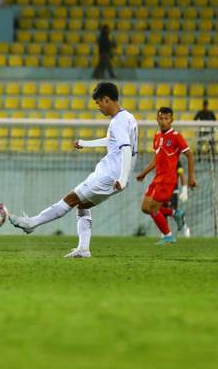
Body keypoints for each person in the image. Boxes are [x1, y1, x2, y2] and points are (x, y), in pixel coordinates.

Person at [9, 82, 138, 258]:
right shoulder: (128, 118)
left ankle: (32, 223)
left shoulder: (118, 122)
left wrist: (121, 178)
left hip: (110, 175)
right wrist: (86, 143)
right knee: (82, 204)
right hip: (116, 175)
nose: (98, 107)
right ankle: (83, 249)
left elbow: (126, 148)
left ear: (107, 99)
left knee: (70, 199)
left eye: (99, 103)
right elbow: (112, 141)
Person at [135, 107, 196, 244]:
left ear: (172, 120)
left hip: (168, 180)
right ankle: (175, 213)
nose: (163, 121)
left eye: (166, 119)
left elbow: (190, 155)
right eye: (161, 118)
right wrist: (144, 173)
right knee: (145, 208)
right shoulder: (157, 136)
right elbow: (156, 158)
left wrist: (191, 178)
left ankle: (168, 235)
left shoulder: (176, 137)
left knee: (152, 209)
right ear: (157, 119)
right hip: (157, 178)